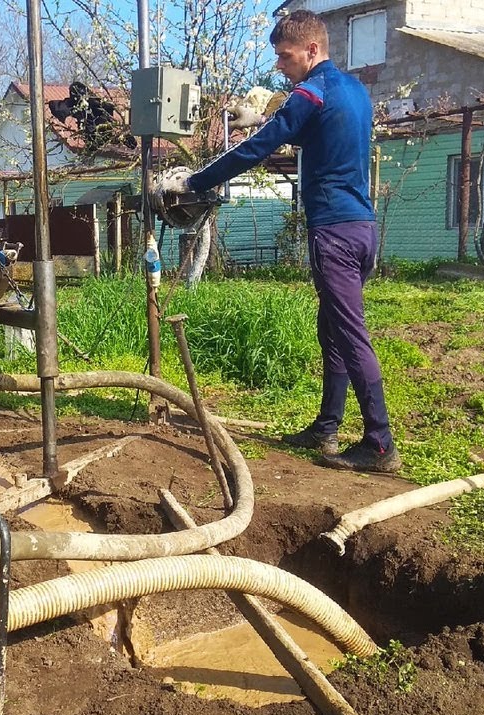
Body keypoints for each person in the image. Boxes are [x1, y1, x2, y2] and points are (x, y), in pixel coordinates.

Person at [159, 9, 399, 472]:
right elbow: (315, 132)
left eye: (285, 57)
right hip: (362, 229)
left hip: (334, 232)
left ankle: (379, 444)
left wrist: (195, 182)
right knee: (333, 329)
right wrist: (263, 115)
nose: (279, 65)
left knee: (350, 334)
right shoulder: (354, 91)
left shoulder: (312, 91)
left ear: (312, 50)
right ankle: (327, 426)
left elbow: (259, 148)